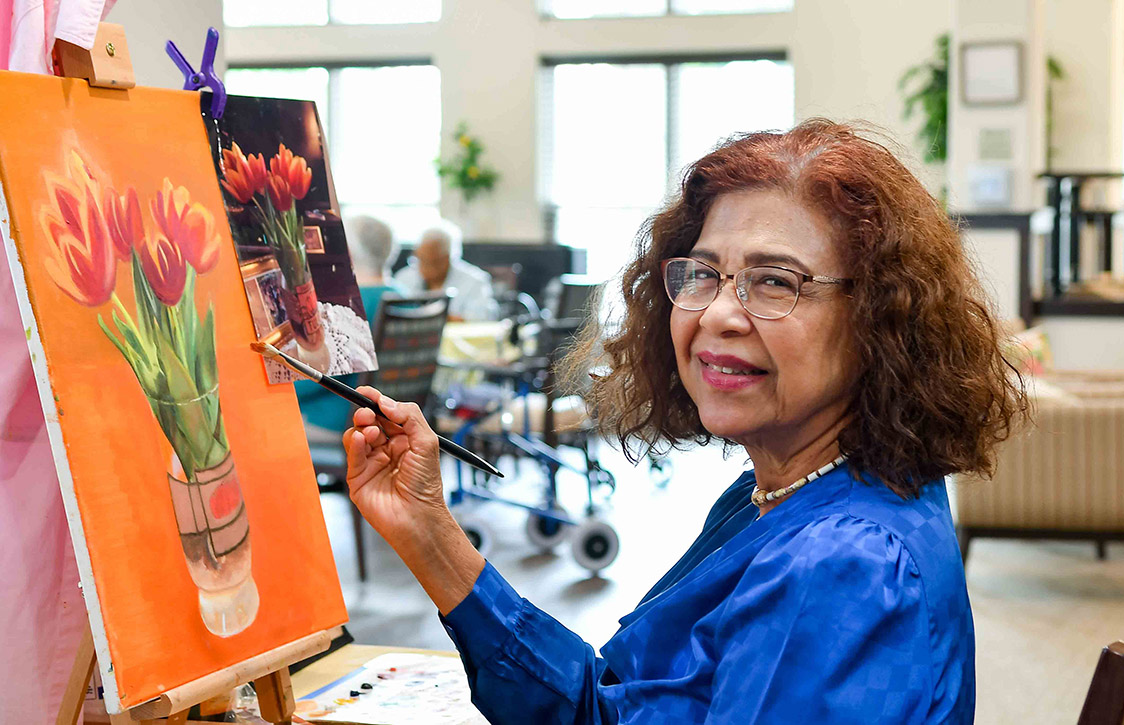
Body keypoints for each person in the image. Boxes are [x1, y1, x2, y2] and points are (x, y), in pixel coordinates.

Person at [341, 120, 1026, 723]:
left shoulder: (844, 564)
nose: (719, 314)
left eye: (775, 281)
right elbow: (612, 708)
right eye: (704, 273)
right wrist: (430, 530)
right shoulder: (788, 491)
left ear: (880, 318)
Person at [296, 215, 398, 436]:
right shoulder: (401, 297)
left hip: (338, 421)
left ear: (346, 254)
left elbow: (316, 376)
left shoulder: (350, 307)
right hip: (390, 421)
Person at [393, 219, 497, 321]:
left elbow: (483, 317)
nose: (421, 266)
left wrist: (439, 318)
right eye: (418, 258)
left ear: (446, 259)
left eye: (428, 261)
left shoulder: (476, 281)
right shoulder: (403, 277)